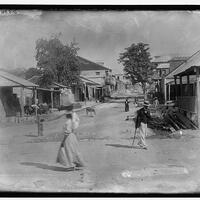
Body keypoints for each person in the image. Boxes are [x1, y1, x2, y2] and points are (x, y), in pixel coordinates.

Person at [56, 104, 85, 169]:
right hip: (72, 136)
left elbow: (67, 132)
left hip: (68, 137)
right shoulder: (72, 121)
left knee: (68, 151)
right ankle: (76, 163)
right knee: (74, 150)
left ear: (68, 115)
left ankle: (71, 165)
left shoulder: (68, 122)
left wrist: (63, 141)